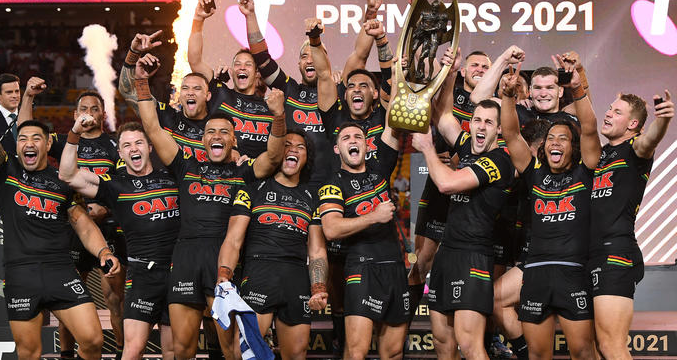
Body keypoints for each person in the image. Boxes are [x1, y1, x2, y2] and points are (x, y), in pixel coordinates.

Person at [133, 55, 284, 360]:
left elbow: (275, 156)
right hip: (186, 258)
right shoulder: (185, 166)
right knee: (182, 349)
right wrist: (140, 80)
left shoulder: (246, 172)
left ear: (234, 141)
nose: (216, 136)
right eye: (210, 132)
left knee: (231, 351)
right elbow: (151, 127)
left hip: (224, 261)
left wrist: (278, 117)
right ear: (202, 140)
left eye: (224, 132)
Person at [0, 82, 120, 360]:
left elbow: (81, 222)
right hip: (21, 274)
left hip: (60, 270)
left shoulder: (61, 180)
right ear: (16, 144)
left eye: (36, 138)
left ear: (48, 144)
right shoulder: (4, 169)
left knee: (93, 341)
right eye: (22, 139)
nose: (29, 143)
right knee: (30, 352)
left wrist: (104, 251)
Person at [412, 48, 515, 360]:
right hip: (447, 254)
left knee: (470, 346)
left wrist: (428, 150)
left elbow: (446, 183)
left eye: (488, 123)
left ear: (499, 129)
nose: (480, 127)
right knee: (443, 345)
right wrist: (451, 73)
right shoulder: (469, 146)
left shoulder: (500, 159)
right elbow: (442, 115)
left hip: (474, 257)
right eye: (477, 120)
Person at [19, 78, 127, 358]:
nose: (89, 113)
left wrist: (108, 209)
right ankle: (66, 355)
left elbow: (125, 187)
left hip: (108, 231)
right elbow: (27, 132)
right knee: (67, 301)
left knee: (115, 300)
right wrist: (29, 97)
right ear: (75, 115)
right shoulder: (63, 142)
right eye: (83, 109)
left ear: (103, 114)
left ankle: (121, 353)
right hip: (71, 229)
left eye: (95, 108)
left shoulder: (117, 147)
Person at [500, 60, 601, 360]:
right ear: (543, 148)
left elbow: (591, 129)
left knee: (583, 352)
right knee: (537, 354)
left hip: (573, 273)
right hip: (536, 274)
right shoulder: (534, 174)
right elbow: (510, 134)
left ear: (573, 146)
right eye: (550, 139)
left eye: (564, 139)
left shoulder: (586, 172)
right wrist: (507, 97)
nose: (556, 143)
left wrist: (577, 87)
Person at [238, 0, 378, 191]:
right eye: (305, 56)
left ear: (325, 59)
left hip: (334, 185)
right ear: (299, 63)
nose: (310, 60)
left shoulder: (340, 89)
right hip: (292, 186)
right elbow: (261, 58)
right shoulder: (288, 88)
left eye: (315, 55)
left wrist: (371, 14)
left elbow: (360, 54)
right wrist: (250, 15)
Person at [58, 119, 179, 360]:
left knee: (174, 351)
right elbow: (67, 174)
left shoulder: (173, 178)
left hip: (178, 273)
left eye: (139, 143)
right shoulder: (115, 185)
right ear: (121, 153)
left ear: (150, 147)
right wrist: (74, 133)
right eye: (127, 145)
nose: (134, 148)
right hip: (143, 276)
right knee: (133, 349)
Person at [217, 129, 328, 360]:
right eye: (286, 145)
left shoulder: (312, 196)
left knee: (297, 354)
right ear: (277, 151)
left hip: (296, 277)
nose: (293, 150)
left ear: (307, 158)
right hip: (260, 272)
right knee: (245, 353)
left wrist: (318, 287)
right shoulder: (252, 189)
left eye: (301, 147)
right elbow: (233, 239)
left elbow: (316, 249)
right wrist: (223, 276)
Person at [318, 92, 408, 360]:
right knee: (356, 352)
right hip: (361, 269)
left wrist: (398, 78)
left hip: (395, 267)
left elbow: (393, 124)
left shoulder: (380, 170)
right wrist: (373, 216)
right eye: (345, 138)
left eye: (358, 137)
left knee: (392, 353)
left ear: (368, 146)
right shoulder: (333, 184)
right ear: (337, 149)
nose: (352, 141)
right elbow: (331, 229)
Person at [589, 91, 673, 360]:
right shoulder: (599, 156)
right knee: (589, 347)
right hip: (588, 254)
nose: (608, 113)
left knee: (612, 345)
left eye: (616, 112)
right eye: (609, 108)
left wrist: (663, 120)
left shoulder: (635, 149)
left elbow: (651, 140)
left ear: (633, 124)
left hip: (616, 253)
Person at [492, 118, 552, 360]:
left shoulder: (570, 172)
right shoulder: (522, 171)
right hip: (530, 257)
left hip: (567, 262)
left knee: (587, 346)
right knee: (496, 299)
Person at [188, 0, 275, 159]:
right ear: (232, 70)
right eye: (237, 64)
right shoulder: (219, 92)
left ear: (257, 74)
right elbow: (195, 61)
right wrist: (198, 20)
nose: (241, 67)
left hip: (254, 179)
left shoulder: (269, 107)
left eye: (248, 64)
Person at [120, 29, 214, 161]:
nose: (190, 92)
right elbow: (128, 91)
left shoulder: (218, 124)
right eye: (185, 88)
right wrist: (134, 53)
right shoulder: (166, 117)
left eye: (197, 88)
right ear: (180, 96)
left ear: (208, 95)